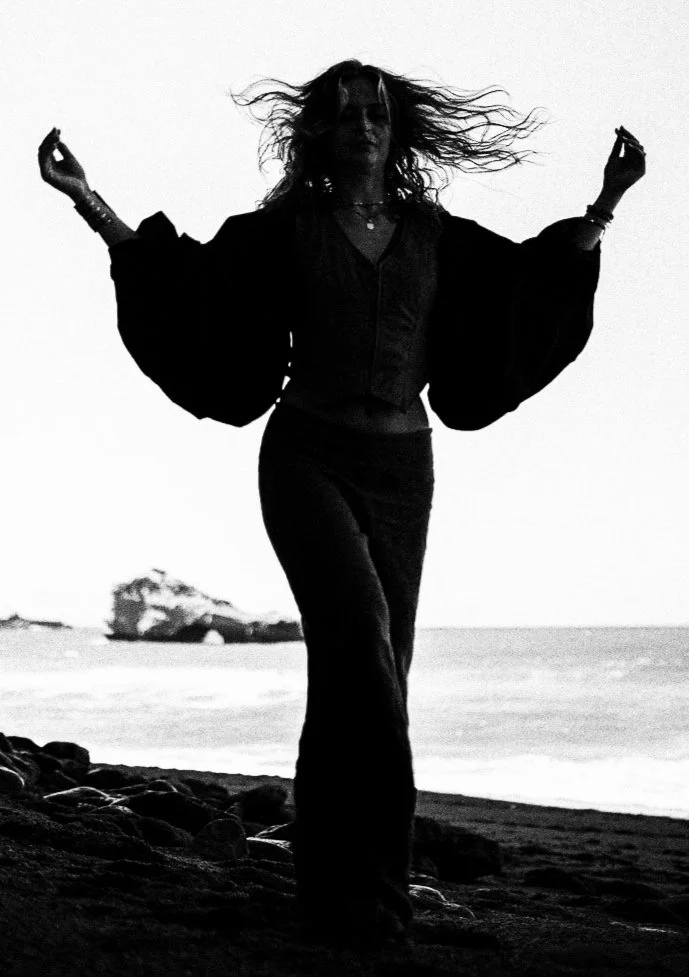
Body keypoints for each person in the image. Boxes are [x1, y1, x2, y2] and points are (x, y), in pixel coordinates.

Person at [37, 59, 646, 945]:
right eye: (348, 113)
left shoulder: (435, 235)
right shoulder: (288, 231)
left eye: (378, 112)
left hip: (405, 472)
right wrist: (87, 200)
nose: (364, 124)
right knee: (360, 639)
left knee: (371, 677)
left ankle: (336, 882)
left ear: (395, 132)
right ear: (322, 131)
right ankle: (382, 901)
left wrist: (604, 205)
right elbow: (186, 283)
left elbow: (529, 284)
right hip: (307, 459)